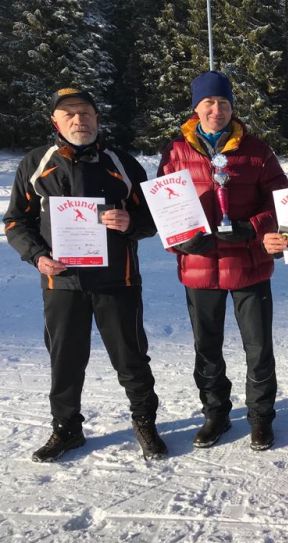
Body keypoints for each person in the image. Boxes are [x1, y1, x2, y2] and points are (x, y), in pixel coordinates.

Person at [4, 87, 167, 462]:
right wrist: (37, 256)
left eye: (87, 113)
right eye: (70, 114)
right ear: (55, 122)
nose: (80, 120)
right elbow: (15, 221)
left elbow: (154, 217)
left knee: (131, 358)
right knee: (65, 359)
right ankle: (66, 428)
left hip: (117, 281)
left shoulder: (121, 162)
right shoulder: (36, 163)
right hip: (61, 282)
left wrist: (129, 222)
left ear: (98, 118)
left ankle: (145, 420)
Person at [157, 71, 288, 450]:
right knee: (207, 347)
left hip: (249, 263)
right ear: (196, 107)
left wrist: (253, 227)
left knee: (259, 346)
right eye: (210, 103)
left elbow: (280, 198)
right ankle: (215, 413)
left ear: (233, 107)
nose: (217, 110)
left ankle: (261, 416)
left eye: (224, 103)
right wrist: (182, 245)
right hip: (200, 266)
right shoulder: (175, 151)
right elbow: (163, 206)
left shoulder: (256, 150)